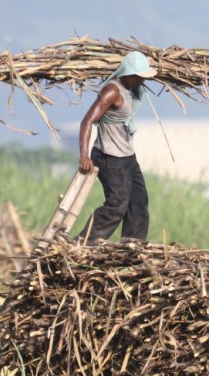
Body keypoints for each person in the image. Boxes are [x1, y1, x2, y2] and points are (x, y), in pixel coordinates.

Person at [76, 51, 157, 242]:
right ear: (128, 74)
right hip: (109, 157)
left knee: (138, 202)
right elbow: (87, 121)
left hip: (127, 156)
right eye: (139, 77)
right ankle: (84, 243)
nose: (142, 81)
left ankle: (132, 244)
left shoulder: (131, 88)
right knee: (116, 205)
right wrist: (84, 155)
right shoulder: (112, 92)